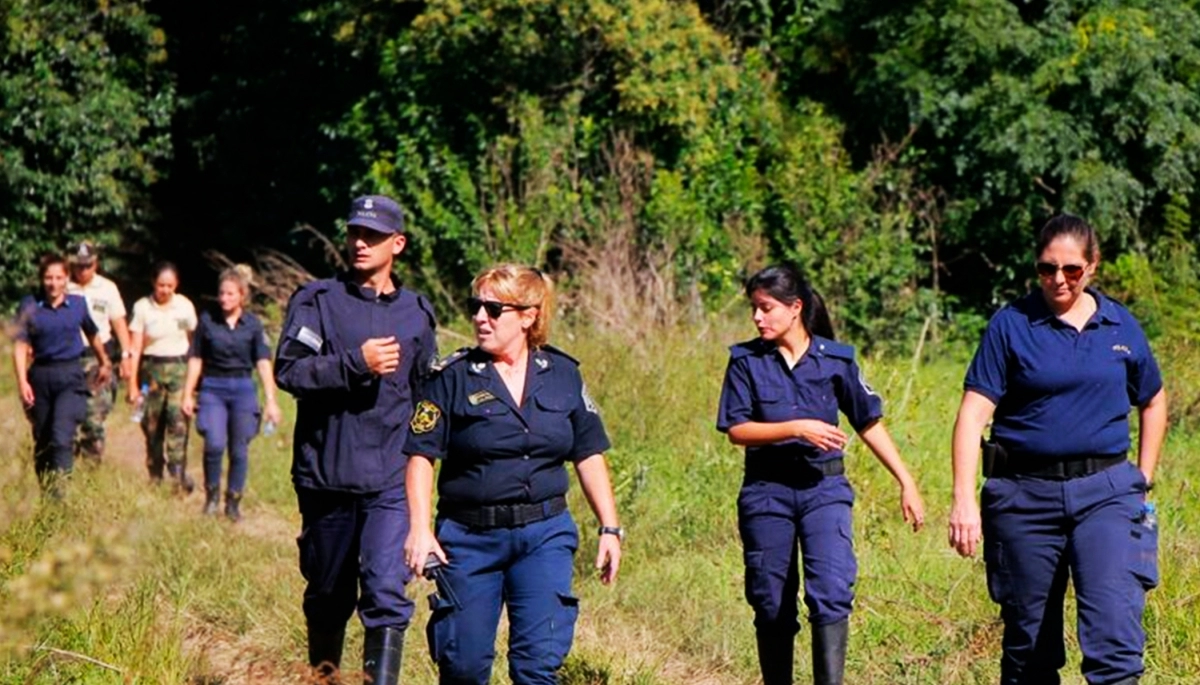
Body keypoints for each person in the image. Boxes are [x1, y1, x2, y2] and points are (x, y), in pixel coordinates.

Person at [948, 215, 1167, 685]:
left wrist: (1143, 478)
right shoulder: (1012, 325)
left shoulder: (1119, 325)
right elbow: (971, 416)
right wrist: (963, 499)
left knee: (1115, 644)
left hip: (1106, 495)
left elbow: (1152, 398)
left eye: (1071, 269)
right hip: (1024, 497)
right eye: (1047, 269)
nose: (1059, 280)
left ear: (1092, 266)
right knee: (1029, 652)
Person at [404, 263, 622, 685]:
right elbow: (419, 456)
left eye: (493, 308)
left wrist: (610, 528)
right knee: (463, 667)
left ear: (529, 315)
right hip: (468, 540)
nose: (479, 317)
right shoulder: (451, 377)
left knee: (537, 667)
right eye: (475, 306)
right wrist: (418, 528)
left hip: (544, 535)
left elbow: (588, 451)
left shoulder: (562, 375)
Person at [716, 264, 925, 685]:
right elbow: (737, 430)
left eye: (766, 308)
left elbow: (868, 422)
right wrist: (796, 427)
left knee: (830, 593)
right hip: (766, 492)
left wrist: (907, 481)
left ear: (795, 308)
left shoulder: (836, 360)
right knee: (771, 601)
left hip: (823, 490)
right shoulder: (745, 362)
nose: (757, 318)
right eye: (754, 309)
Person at [275, 195, 437, 685]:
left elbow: (425, 396)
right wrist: (354, 363)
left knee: (388, 593)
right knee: (328, 596)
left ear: (398, 244)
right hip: (327, 477)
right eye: (354, 233)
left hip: (390, 480)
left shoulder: (416, 313)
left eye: (373, 235)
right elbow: (290, 371)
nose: (360, 242)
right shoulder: (317, 301)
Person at [181, 265, 283, 522]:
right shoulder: (207, 321)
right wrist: (187, 393)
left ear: (242, 296)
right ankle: (212, 497)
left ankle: (233, 502)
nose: (224, 299)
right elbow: (196, 359)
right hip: (213, 388)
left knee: (239, 450)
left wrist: (271, 401)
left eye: (230, 294)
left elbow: (262, 362)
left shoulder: (253, 325)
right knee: (214, 443)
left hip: (242, 389)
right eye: (221, 293)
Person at [12, 253, 112, 497]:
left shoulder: (78, 304)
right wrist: (22, 381)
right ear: (42, 279)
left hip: (70, 377)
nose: (54, 283)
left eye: (59, 277)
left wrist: (104, 361)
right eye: (48, 278)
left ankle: (61, 496)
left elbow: (93, 334)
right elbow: (21, 346)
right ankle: (48, 494)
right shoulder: (30, 305)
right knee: (44, 441)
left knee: (61, 435)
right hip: (40, 378)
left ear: (67, 278)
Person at [128, 261, 199, 491]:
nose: (165, 290)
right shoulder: (142, 308)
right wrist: (132, 384)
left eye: (169, 285)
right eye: (161, 285)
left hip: (179, 369)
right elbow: (135, 348)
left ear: (176, 284)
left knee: (177, 423)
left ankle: (178, 476)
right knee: (152, 425)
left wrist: (193, 383)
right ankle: (155, 474)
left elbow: (193, 345)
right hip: (152, 370)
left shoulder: (185, 306)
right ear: (153, 283)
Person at [67, 241, 133, 463]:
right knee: (67, 420)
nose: (83, 270)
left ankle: (91, 472)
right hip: (67, 357)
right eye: (78, 266)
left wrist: (126, 356)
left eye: (88, 265)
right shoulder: (61, 285)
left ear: (96, 264)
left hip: (99, 359)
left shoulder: (107, 288)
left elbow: (119, 324)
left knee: (94, 419)